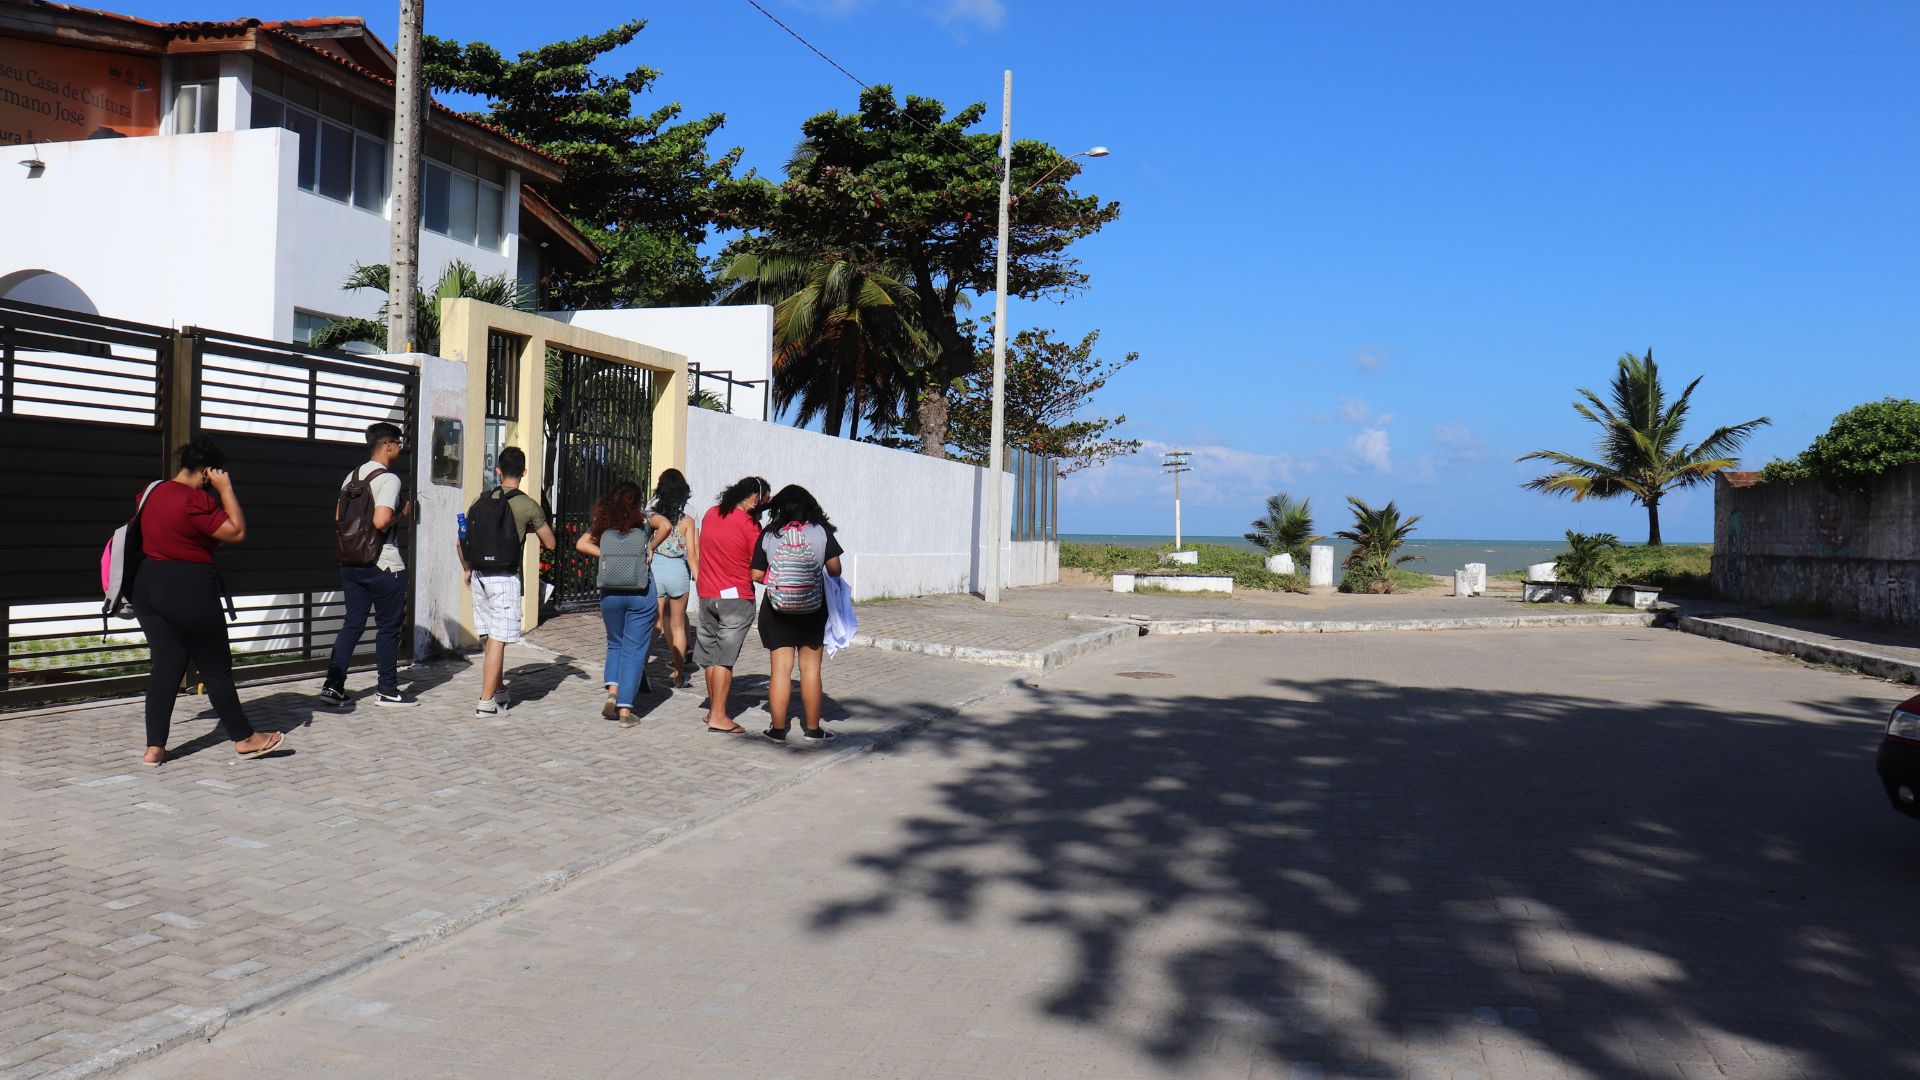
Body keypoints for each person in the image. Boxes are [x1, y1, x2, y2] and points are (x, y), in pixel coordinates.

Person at [131, 438, 286, 765]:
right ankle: (245, 738)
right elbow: (237, 531)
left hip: (147, 587)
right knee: (215, 668)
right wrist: (226, 489)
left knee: (166, 667)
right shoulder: (195, 501)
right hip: (186, 587)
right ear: (206, 473)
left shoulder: (151, 491)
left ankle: (154, 748)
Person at [320, 422, 414, 708]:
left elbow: (339, 517)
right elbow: (381, 521)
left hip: (351, 562)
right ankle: (387, 689)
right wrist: (402, 513)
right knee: (388, 628)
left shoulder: (351, 477)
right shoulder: (389, 480)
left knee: (352, 624)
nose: (400, 447)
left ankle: (333, 686)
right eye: (398, 443)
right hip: (383, 564)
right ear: (387, 445)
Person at [458, 446, 556, 718]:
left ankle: (499, 690)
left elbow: (461, 540)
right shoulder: (528, 505)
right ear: (524, 472)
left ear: (498, 471)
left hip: (479, 575)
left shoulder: (481, 500)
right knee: (499, 640)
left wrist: (467, 568)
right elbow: (551, 543)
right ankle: (486, 702)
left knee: (491, 637)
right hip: (505, 577)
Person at [751, 485, 844, 747]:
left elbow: (756, 575)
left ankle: (778, 730)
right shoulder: (820, 531)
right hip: (813, 608)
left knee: (780, 669)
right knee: (810, 669)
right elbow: (835, 570)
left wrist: (779, 577)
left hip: (777, 609)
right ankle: (813, 730)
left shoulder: (770, 534)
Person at [575, 481, 658, 728]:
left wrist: (609, 555)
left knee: (615, 643)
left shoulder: (604, 525)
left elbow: (581, 544)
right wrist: (649, 548)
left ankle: (612, 692)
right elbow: (664, 525)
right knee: (634, 649)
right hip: (640, 592)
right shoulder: (644, 522)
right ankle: (625, 710)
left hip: (610, 592)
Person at [693, 475, 770, 734]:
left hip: (706, 595)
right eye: (764, 501)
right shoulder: (750, 526)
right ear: (755, 498)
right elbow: (758, 568)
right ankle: (718, 716)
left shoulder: (711, 514)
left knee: (710, 656)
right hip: (736, 599)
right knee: (724, 659)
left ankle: (713, 710)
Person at [646, 468, 699, 688]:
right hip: (679, 573)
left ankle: (640, 668)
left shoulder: (652, 515)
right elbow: (692, 555)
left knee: (654, 624)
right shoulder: (687, 520)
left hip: (657, 569)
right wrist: (700, 579)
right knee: (678, 626)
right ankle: (678, 674)